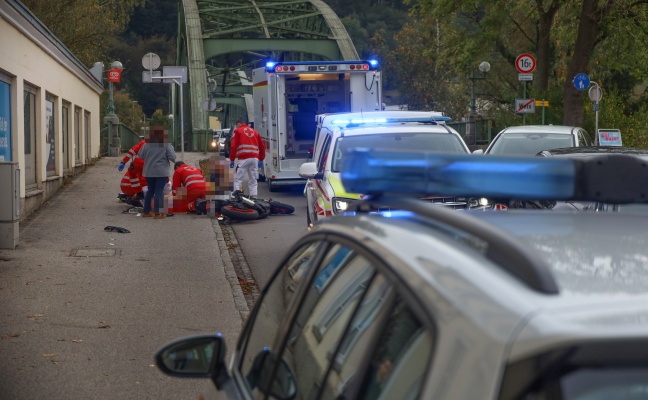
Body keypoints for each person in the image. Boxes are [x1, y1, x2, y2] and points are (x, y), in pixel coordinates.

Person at [137, 129, 176, 219]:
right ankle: (158, 213)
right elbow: (172, 157)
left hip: (148, 172)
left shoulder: (146, 145)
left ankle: (146, 212)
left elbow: (140, 155)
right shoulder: (166, 145)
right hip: (161, 172)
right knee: (159, 191)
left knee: (150, 191)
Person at [229, 117, 265, 199]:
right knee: (253, 179)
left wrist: (232, 159)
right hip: (255, 159)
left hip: (243, 159)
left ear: (239, 124)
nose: (236, 127)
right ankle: (253, 196)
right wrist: (261, 159)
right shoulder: (255, 132)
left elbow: (233, 146)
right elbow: (262, 146)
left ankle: (236, 195)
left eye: (237, 126)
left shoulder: (238, 131)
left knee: (237, 179)